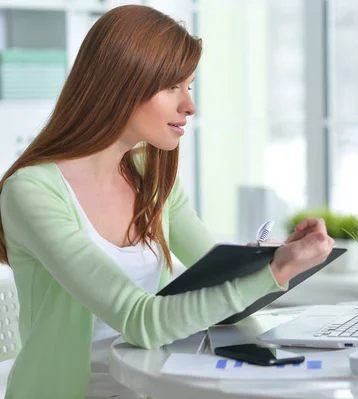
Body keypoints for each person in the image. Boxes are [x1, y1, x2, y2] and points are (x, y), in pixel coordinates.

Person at [0, 5, 334, 399]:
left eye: (189, 86)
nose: (189, 105)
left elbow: (221, 281)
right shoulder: (32, 192)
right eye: (172, 87)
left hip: (154, 386)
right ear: (120, 84)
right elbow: (141, 320)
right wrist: (274, 273)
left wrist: (279, 257)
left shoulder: (151, 179)